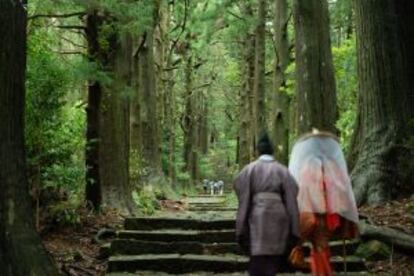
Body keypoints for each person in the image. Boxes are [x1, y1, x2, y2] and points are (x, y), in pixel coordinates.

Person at [288, 130, 359, 276]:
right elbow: (342, 188)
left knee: (320, 247)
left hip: (319, 213)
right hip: (323, 214)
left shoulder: (310, 167)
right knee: (321, 247)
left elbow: (304, 189)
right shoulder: (331, 166)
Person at [234, 132, 300, 276]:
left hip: (257, 216)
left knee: (258, 256)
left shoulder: (250, 169)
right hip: (279, 214)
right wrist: (294, 228)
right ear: (272, 151)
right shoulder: (282, 170)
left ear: (258, 150)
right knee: (274, 259)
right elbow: (293, 190)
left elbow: (239, 185)